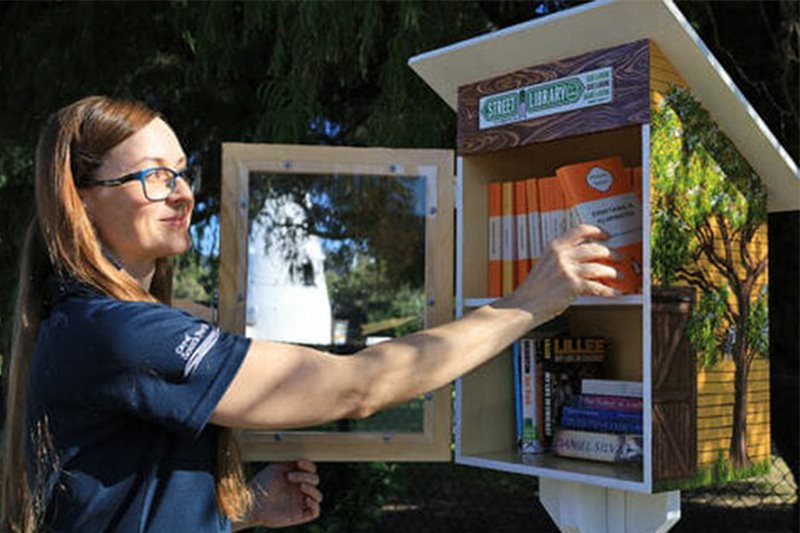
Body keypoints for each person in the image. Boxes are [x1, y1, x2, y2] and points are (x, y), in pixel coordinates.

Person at [1, 96, 623, 532]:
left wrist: (237, 511)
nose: (184, 193)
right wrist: (529, 302)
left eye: (184, 174)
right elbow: (358, 388)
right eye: (155, 176)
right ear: (79, 200)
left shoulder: (88, 322)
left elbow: (119, 499)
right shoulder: (117, 333)